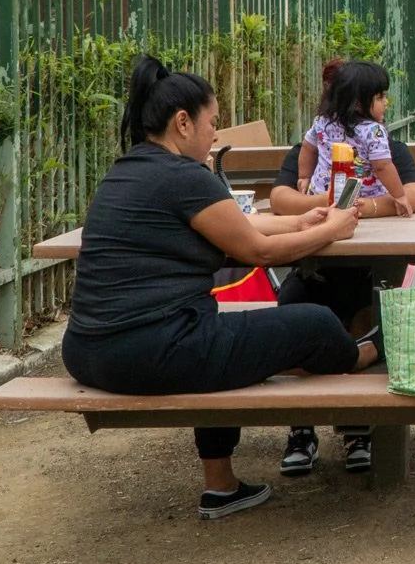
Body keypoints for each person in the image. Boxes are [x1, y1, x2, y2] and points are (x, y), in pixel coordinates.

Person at [61, 57, 372, 521]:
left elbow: (236, 222)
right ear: (182, 123)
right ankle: (367, 354)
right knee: (314, 321)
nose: (215, 136)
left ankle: (222, 486)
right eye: (213, 124)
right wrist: (334, 232)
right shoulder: (184, 176)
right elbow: (258, 252)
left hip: (88, 351)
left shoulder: (128, 169)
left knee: (224, 337)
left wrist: (304, 219)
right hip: (153, 351)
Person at [269, 110, 415, 477]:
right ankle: (301, 426)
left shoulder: (385, 145)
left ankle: (360, 427)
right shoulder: (311, 147)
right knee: (292, 312)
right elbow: (280, 198)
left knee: (371, 317)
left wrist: (360, 209)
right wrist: (333, 207)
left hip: (369, 276)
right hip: (315, 276)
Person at [297, 60, 414, 217]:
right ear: (358, 103)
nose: (386, 103)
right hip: (361, 200)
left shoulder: (322, 121)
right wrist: (400, 196)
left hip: (322, 197)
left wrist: (304, 176)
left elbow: (308, 148)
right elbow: (383, 166)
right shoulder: (374, 131)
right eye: (380, 97)